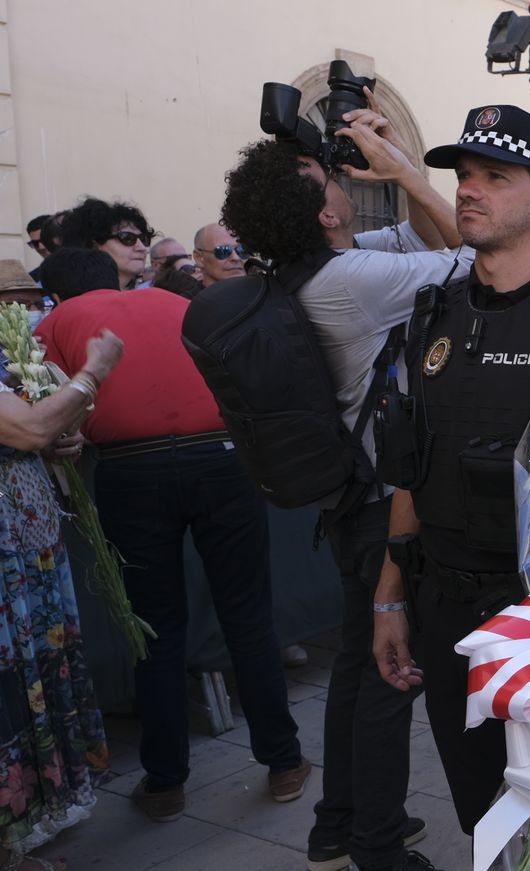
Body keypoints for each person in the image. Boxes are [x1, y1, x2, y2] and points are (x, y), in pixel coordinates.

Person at [220, 99, 461, 871]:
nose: (334, 174)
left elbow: (421, 234)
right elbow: (478, 255)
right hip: (382, 507)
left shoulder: (318, 268)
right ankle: (380, 848)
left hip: (347, 501)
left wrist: (397, 173)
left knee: (361, 668)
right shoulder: (352, 281)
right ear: (324, 211)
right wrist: (407, 174)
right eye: (322, 175)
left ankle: (339, 824)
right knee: (395, 674)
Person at [370, 105, 530, 836]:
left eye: (495, 177)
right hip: (445, 610)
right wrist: (389, 596)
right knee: (484, 815)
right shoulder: (433, 312)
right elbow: (411, 464)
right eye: (464, 176)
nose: (469, 190)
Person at [34, 247, 311, 824]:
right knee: (248, 616)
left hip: (132, 471)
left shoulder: (55, 323)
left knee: (154, 629)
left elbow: (54, 415)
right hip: (222, 460)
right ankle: (284, 762)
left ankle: (165, 783)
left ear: (57, 293)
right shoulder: (175, 300)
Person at [0, 294, 118, 870]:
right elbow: (26, 428)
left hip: (23, 549)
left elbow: (32, 433)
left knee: (27, 684)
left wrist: (53, 440)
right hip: (8, 564)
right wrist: (93, 370)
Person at [58, 197, 152, 291]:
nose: (142, 248)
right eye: (127, 238)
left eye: (144, 239)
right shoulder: (77, 301)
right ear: (94, 244)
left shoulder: (149, 297)